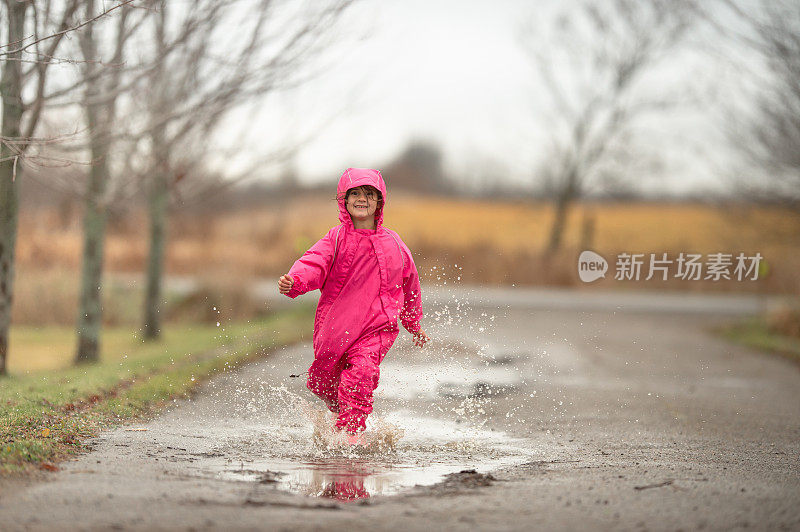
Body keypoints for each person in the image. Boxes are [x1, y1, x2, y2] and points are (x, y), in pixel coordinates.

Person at [278, 168, 429, 443]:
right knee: (323, 382)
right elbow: (314, 262)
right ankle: (339, 415)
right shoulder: (335, 239)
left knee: (362, 372)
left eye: (369, 194)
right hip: (336, 327)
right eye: (355, 194)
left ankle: (351, 435)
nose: (362, 199)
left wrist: (412, 322)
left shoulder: (394, 243)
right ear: (344, 201)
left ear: (379, 202)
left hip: (376, 328)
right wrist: (295, 281)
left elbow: (410, 283)